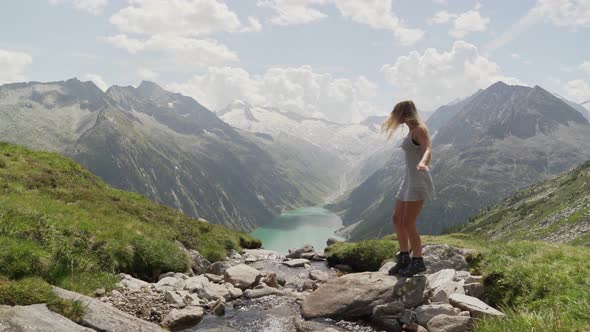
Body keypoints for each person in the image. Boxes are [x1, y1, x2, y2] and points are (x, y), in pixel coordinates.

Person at [382, 100, 435, 277]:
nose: (395, 119)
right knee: (397, 219)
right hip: (408, 180)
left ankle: (418, 261)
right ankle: (404, 257)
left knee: (408, 222)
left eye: (397, 115)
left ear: (404, 114)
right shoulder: (411, 130)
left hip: (418, 180)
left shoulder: (420, 129)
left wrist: (422, 162)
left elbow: (427, 149)